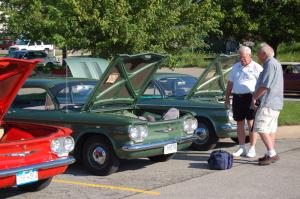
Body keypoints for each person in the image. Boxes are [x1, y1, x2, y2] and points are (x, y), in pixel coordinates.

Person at [225, 46, 263, 158]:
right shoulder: (235, 66)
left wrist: (257, 99)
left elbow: (262, 85)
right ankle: (241, 147)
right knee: (239, 122)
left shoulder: (257, 67)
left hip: (251, 97)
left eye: (244, 57)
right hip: (237, 97)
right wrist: (227, 98)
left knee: (251, 123)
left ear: (250, 55)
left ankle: (252, 147)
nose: (242, 60)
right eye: (240, 57)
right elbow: (230, 83)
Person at [252, 43, 284, 165]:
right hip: (275, 103)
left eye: (258, 53)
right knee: (270, 129)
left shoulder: (270, 64)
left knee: (260, 127)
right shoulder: (276, 63)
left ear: (264, 54)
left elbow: (265, 86)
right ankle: (269, 153)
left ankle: (272, 153)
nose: (257, 56)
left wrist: (254, 98)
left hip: (268, 102)